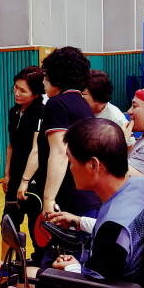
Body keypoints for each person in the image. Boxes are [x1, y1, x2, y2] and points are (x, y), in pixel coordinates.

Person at [40, 118, 144, 288]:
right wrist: (79, 221)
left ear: (93, 164)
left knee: (21, 282)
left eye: (71, 161)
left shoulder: (113, 230)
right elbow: (129, 235)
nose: (69, 168)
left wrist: (71, 268)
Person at [0, 66, 45, 280]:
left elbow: (36, 149)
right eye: (15, 88)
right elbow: (12, 145)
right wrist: (7, 174)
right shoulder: (13, 112)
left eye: (23, 90)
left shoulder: (42, 112)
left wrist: (25, 180)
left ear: (36, 93)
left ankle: (40, 267)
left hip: (35, 180)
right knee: (8, 221)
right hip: (16, 177)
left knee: (37, 225)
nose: (17, 93)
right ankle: (5, 265)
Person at [35, 47, 102, 221]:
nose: (43, 82)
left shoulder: (57, 104)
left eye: (46, 75)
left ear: (56, 76)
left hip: (70, 200)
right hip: (88, 197)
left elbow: (60, 153)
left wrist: (49, 199)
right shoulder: (84, 104)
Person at [82, 69, 136, 147]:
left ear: (97, 95)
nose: (78, 97)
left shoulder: (115, 118)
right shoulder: (78, 109)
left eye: (83, 94)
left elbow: (130, 146)